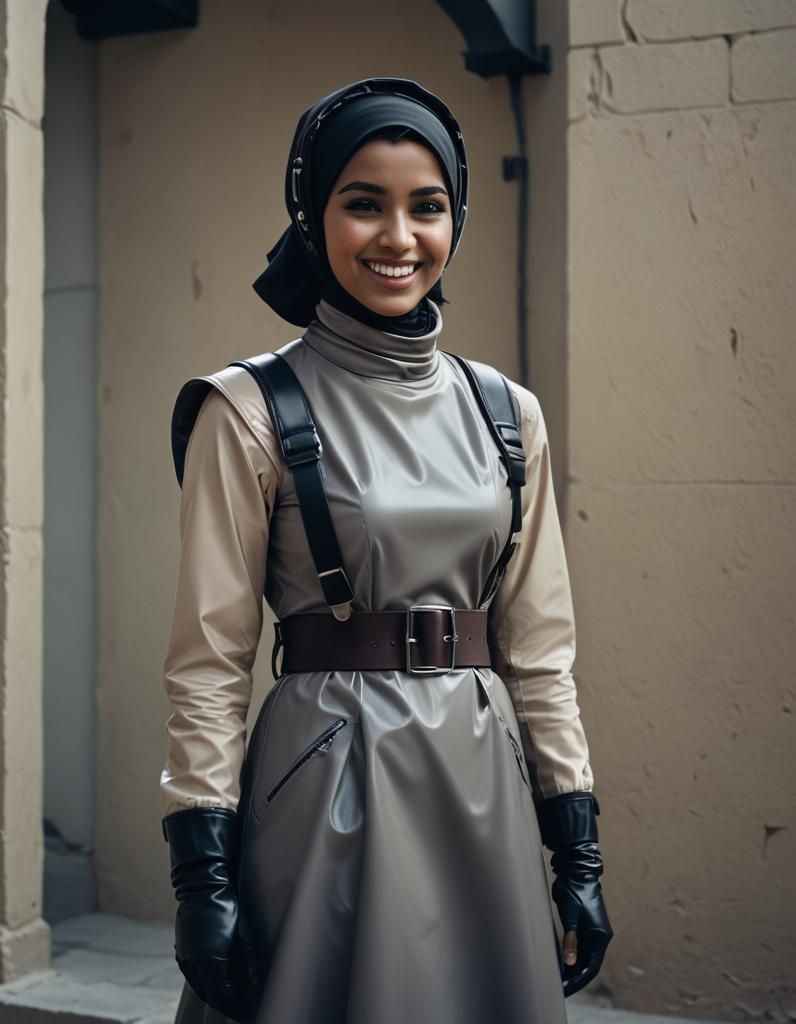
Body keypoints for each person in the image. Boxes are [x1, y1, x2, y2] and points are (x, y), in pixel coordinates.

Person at [159, 78, 613, 1024]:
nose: (398, 237)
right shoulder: (247, 410)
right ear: (311, 212)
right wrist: (201, 880)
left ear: (456, 221)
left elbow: (540, 648)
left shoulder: (506, 414)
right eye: (363, 202)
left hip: (484, 786)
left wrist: (575, 846)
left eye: (428, 206)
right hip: (327, 783)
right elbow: (208, 664)